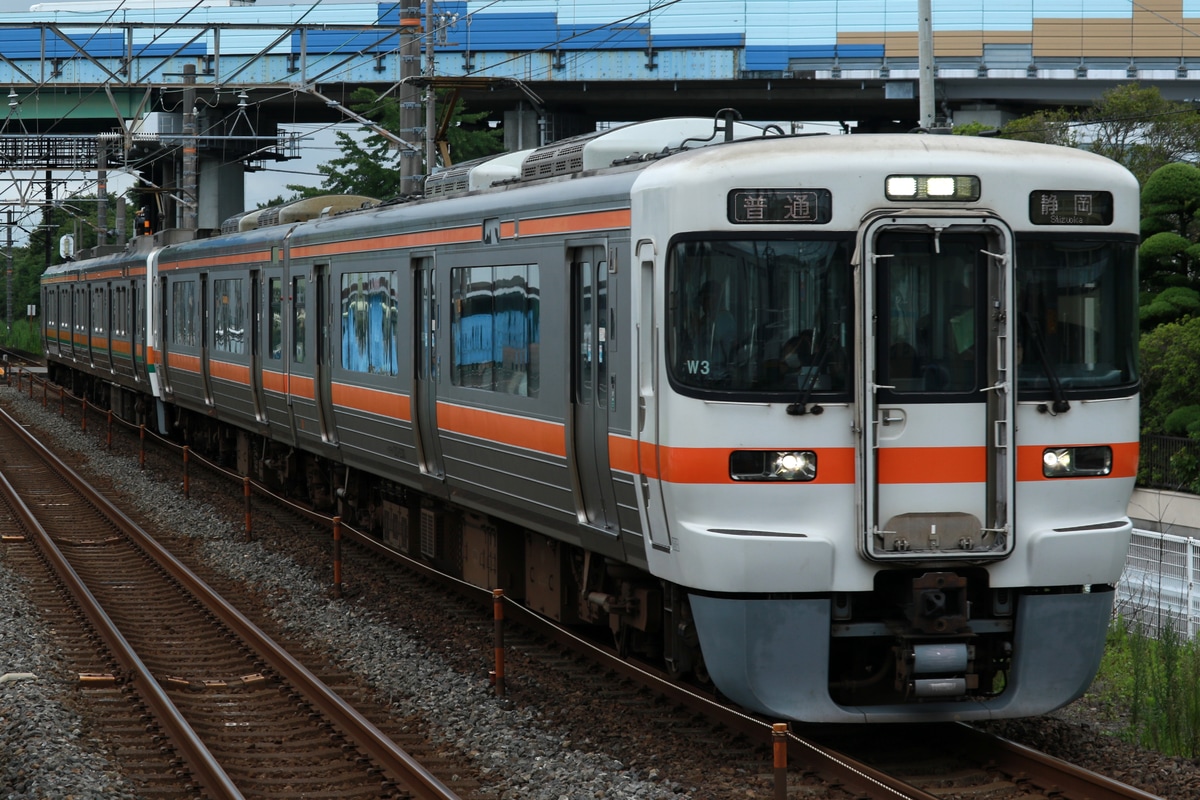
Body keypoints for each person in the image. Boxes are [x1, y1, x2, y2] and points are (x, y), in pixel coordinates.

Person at [683, 280, 736, 380]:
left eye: (706, 299)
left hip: (718, 375)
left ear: (715, 299)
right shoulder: (705, 319)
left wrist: (697, 326)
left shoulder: (724, 318)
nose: (702, 303)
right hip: (702, 373)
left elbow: (712, 338)